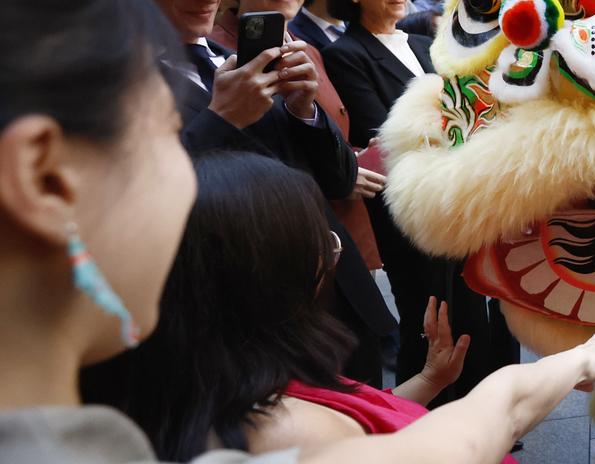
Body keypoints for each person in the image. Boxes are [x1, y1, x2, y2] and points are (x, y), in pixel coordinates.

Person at [0, 0, 595, 464]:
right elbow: (472, 428)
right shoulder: (264, 429)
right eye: (162, 135)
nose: (186, 167)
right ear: (45, 178)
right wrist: (576, 361)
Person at [103, 0, 394, 384]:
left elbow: (335, 178)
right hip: (246, 331)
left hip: (336, 302)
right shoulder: (101, 83)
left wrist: (305, 111)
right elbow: (131, 218)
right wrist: (220, 119)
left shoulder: (236, 62)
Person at [83, 150, 510, 464]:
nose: (331, 257)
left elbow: (359, 408)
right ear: (271, 274)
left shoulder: (226, 379)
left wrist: (430, 379)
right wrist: (561, 367)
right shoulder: (287, 429)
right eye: (322, 243)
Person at [325, 0, 517, 400]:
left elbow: (467, 103)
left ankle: (481, 405)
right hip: (404, 199)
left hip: (456, 188)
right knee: (426, 308)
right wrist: (454, 126)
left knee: (470, 297)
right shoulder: (346, 53)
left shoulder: (423, 42)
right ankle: (425, 408)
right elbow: (382, 127)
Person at [211, 0, 383, 270]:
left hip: (348, 231)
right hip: (288, 244)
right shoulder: (218, 59)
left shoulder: (308, 50)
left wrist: (347, 160)